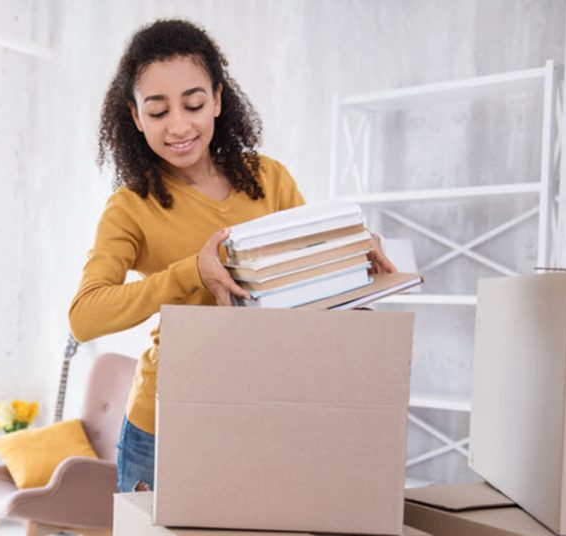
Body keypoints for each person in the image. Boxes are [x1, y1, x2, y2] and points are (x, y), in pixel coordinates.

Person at [68, 19, 396, 493]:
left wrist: (353, 257)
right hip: (165, 419)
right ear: (135, 117)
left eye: (194, 104)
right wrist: (191, 272)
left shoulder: (270, 179)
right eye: (157, 112)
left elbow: (309, 288)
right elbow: (84, 317)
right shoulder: (130, 208)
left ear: (218, 100)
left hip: (265, 405)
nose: (179, 125)